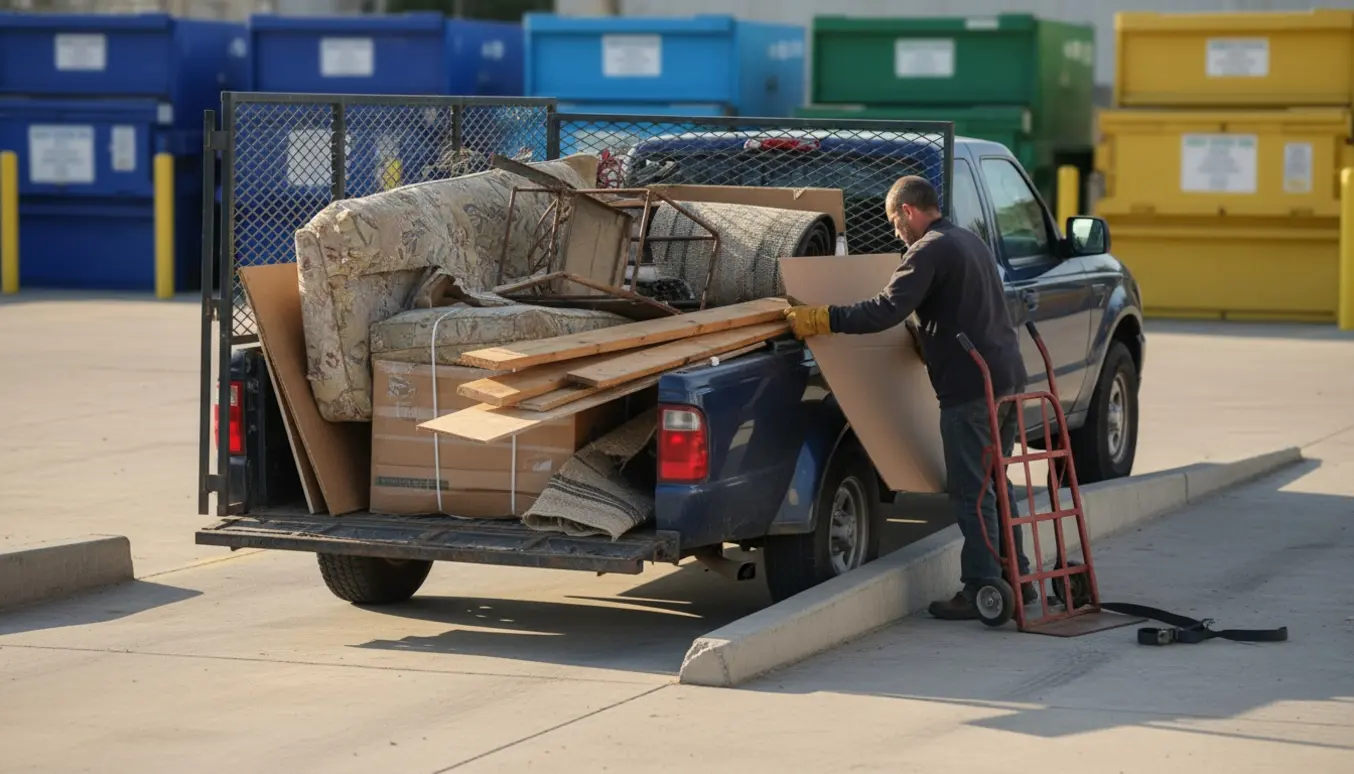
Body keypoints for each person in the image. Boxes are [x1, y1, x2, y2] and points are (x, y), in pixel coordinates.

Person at [782, 175, 1037, 620]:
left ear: (908, 211)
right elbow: (964, 308)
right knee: (995, 482)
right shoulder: (968, 242)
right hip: (1007, 378)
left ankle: (981, 585)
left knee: (971, 491)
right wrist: (931, 338)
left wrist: (822, 318)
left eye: (894, 223)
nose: (896, 233)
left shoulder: (929, 250)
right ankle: (1019, 578)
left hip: (971, 388)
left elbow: (885, 309)